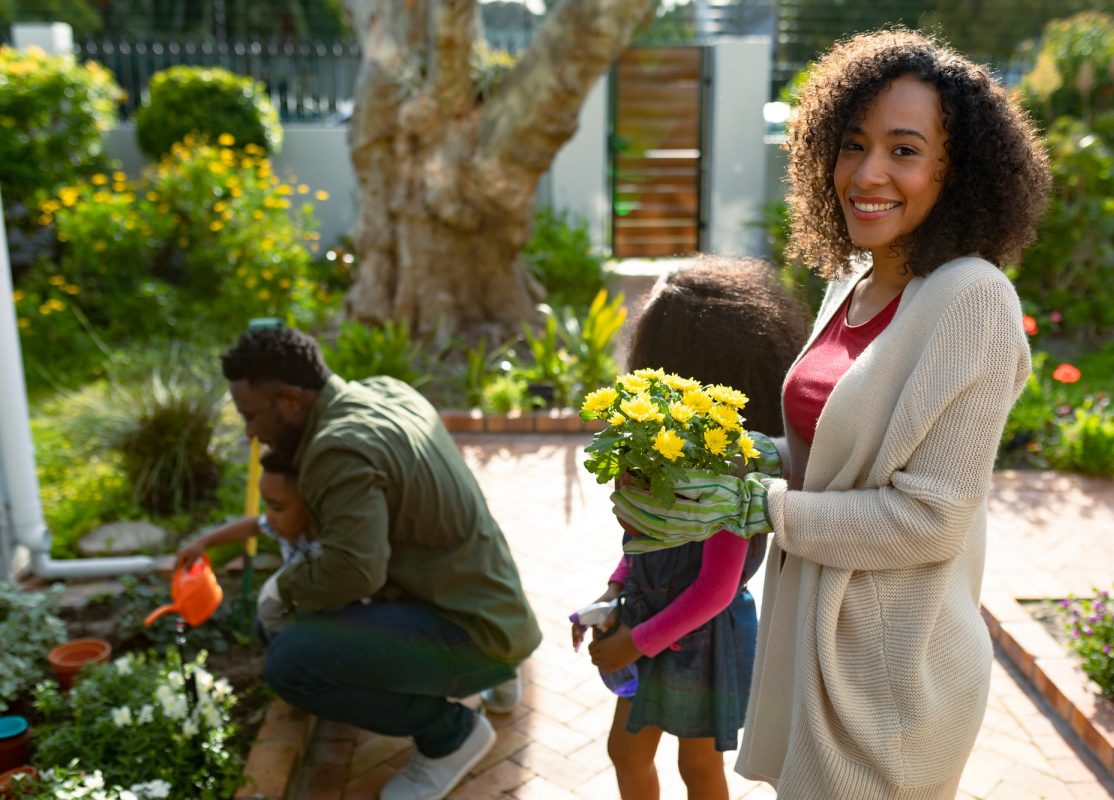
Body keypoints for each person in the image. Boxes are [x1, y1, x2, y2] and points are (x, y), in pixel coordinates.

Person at [612, 29, 1051, 799]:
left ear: (959, 171)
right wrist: (729, 451)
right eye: (852, 144)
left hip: (890, 672)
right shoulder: (858, 278)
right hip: (816, 644)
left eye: (904, 150)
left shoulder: (972, 299)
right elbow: (828, 458)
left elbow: (930, 519)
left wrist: (758, 503)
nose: (868, 172)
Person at [219, 326, 542, 800]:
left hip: (474, 630)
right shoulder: (386, 391)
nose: (250, 432)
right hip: (493, 601)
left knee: (290, 661)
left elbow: (354, 572)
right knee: (311, 612)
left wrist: (283, 589)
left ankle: (449, 735)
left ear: (290, 400)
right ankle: (497, 675)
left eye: (250, 416)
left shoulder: (337, 449)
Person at [583, 258, 808, 800]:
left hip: (699, 643)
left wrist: (631, 646)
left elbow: (716, 590)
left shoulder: (725, 472)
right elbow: (641, 538)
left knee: (699, 770)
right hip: (648, 623)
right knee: (627, 751)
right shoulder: (657, 449)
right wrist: (614, 589)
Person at [175, 448, 328, 637]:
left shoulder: (328, 547)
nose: (270, 516)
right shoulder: (288, 524)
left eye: (277, 507)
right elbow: (254, 525)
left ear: (310, 503)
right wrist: (203, 542)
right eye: (267, 505)